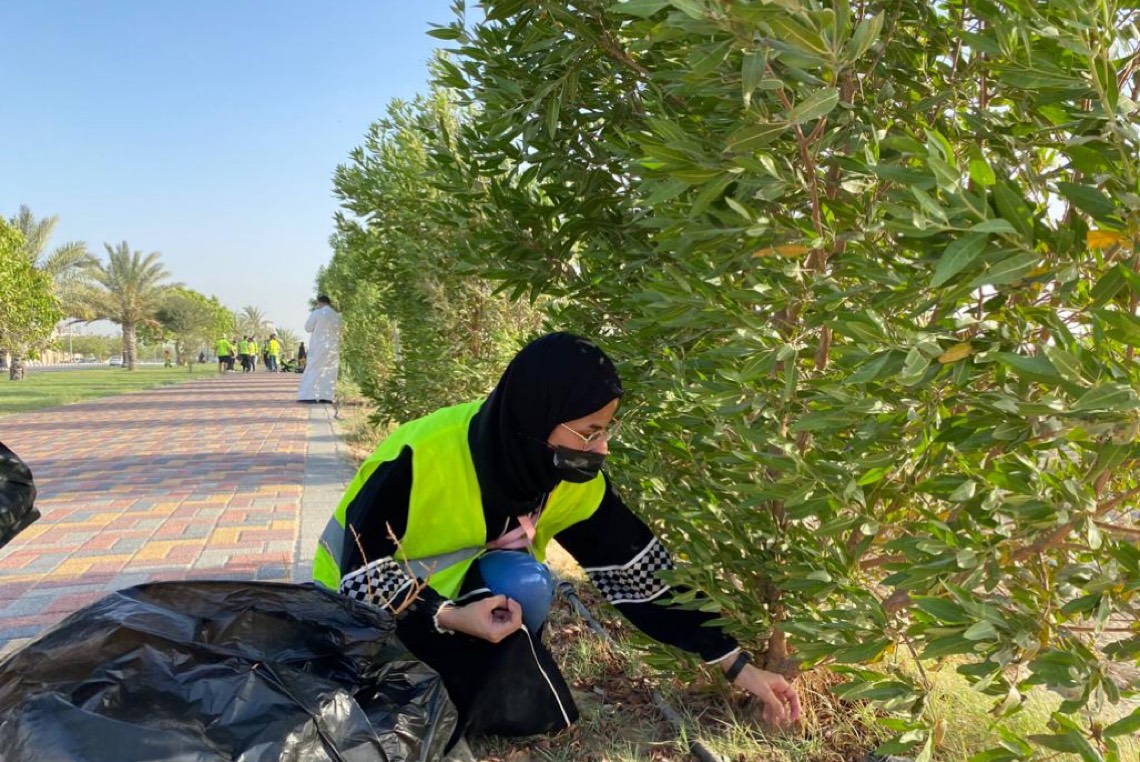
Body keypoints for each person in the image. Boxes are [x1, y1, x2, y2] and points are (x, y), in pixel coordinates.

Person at [313, 332, 801, 746]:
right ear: (538, 417)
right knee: (389, 702)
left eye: (605, 431)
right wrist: (448, 616)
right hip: (358, 605)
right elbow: (359, 571)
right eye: (590, 432)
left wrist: (737, 663)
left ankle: (466, 668)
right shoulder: (422, 456)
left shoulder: (560, 476)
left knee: (526, 584)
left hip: (454, 596)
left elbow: (641, 573)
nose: (601, 448)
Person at [297, 296, 341, 403]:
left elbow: (308, 328)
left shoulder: (317, 313)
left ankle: (308, 396)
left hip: (319, 346)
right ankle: (326, 396)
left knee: (313, 369)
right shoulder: (336, 315)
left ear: (319, 303)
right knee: (329, 370)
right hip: (333, 347)